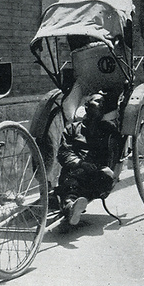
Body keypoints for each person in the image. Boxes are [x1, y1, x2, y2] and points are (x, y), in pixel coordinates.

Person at [55, 91, 119, 225]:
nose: (101, 105)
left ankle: (74, 206)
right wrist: (80, 163)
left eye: (103, 103)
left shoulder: (108, 129)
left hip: (97, 174)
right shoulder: (72, 129)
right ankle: (71, 207)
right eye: (97, 101)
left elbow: (122, 143)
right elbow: (64, 153)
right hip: (76, 171)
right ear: (86, 106)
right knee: (71, 183)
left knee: (107, 174)